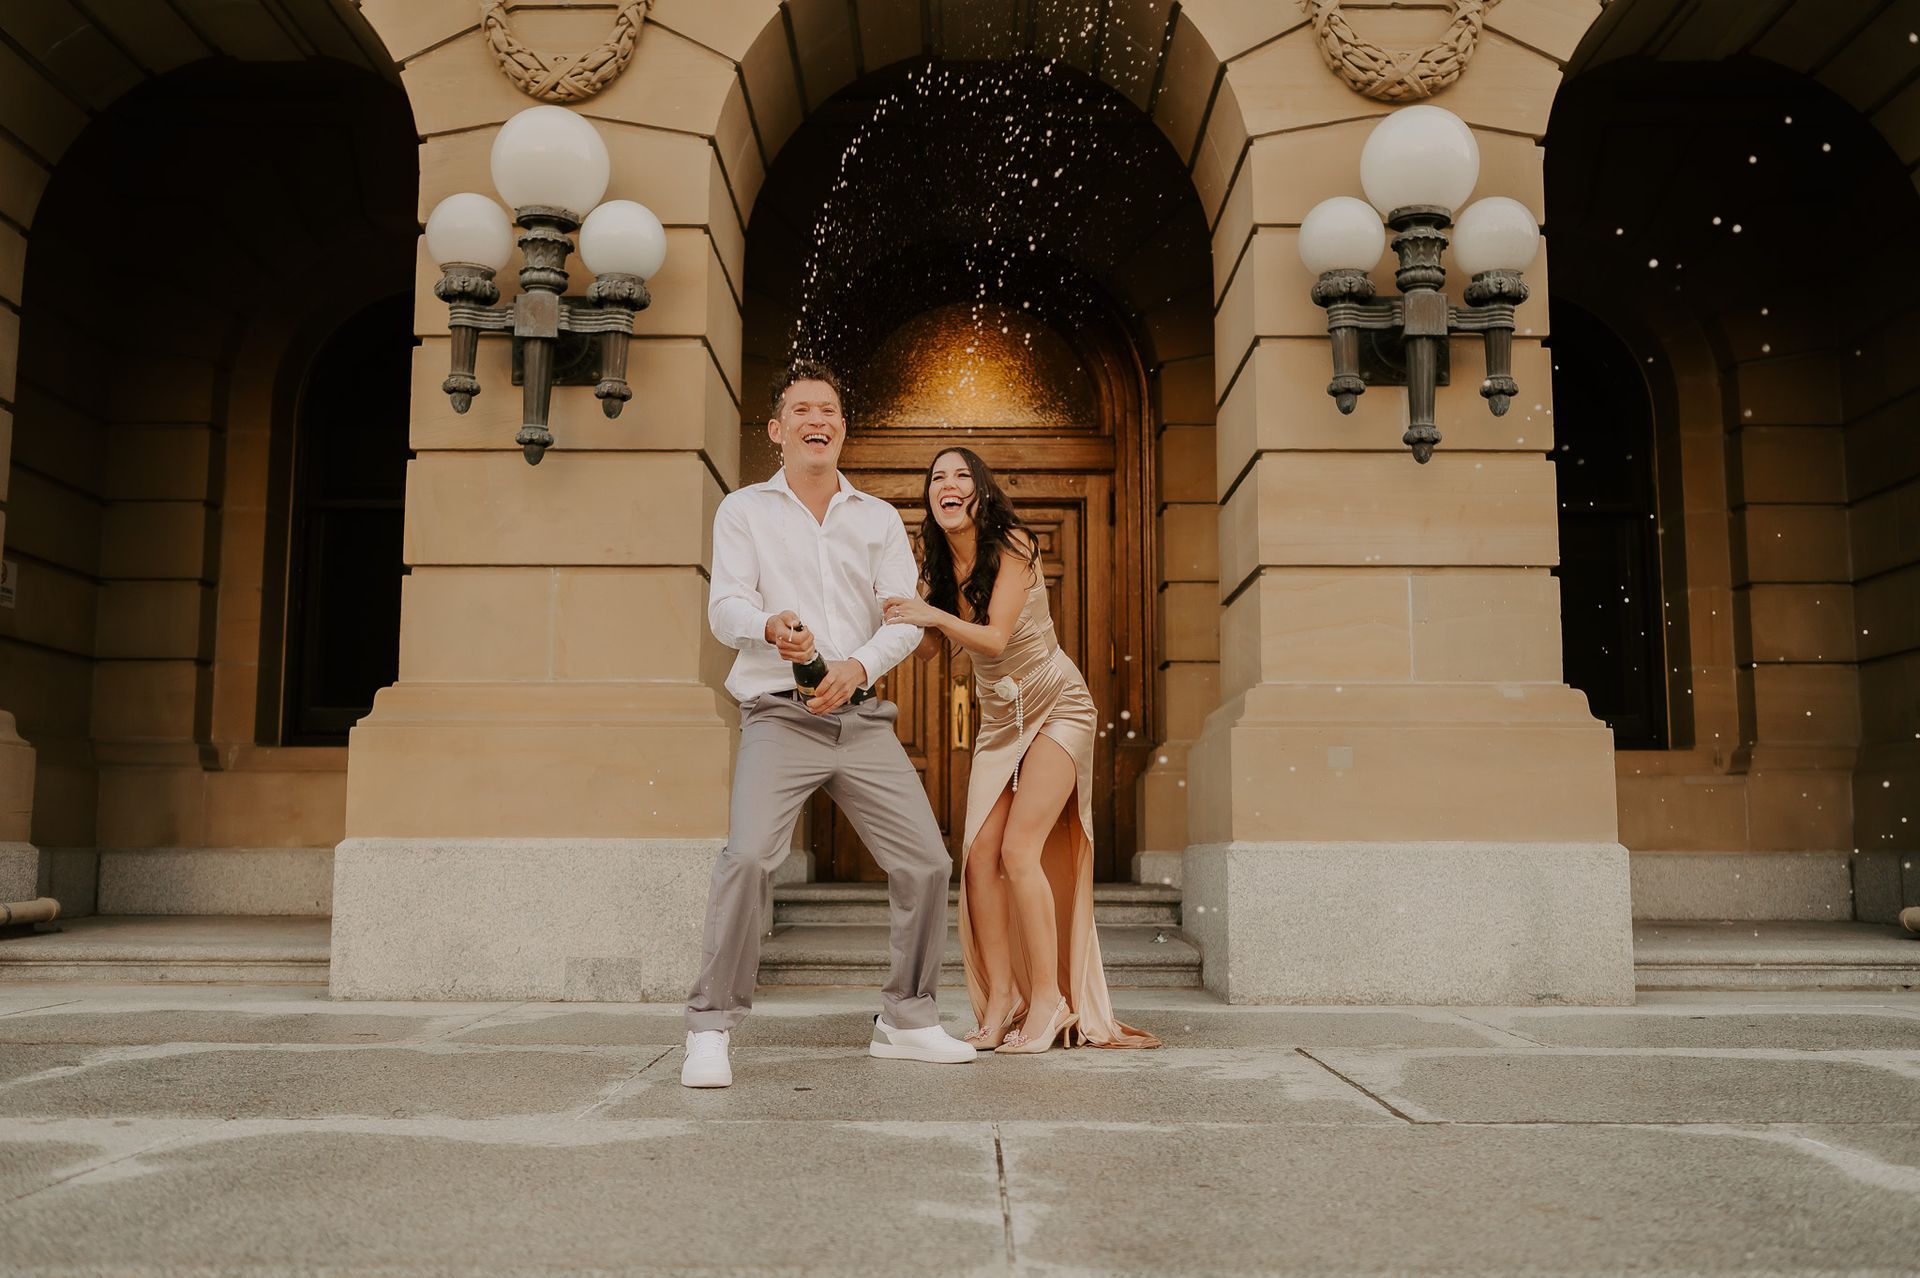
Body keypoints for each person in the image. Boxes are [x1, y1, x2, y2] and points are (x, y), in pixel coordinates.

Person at [682, 363, 977, 1088]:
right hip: (779, 716)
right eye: (803, 409)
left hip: (862, 718)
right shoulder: (743, 510)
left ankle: (907, 1020)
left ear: (842, 430)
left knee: (927, 863)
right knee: (749, 856)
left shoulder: (875, 517)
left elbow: (902, 617)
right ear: (779, 431)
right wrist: (766, 625)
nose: (820, 419)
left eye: (832, 411)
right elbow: (725, 609)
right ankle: (710, 1028)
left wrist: (857, 666)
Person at [884, 448, 1159, 1054]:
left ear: (980, 493)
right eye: (937, 478)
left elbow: (995, 637)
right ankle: (1003, 997)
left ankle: (1049, 999)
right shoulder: (932, 561)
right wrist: (890, 608)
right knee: (978, 856)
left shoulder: (1014, 545)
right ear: (929, 497)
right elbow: (928, 649)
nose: (948, 486)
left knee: (1019, 849)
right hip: (1000, 721)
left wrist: (929, 610)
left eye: (961, 477)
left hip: (1058, 706)